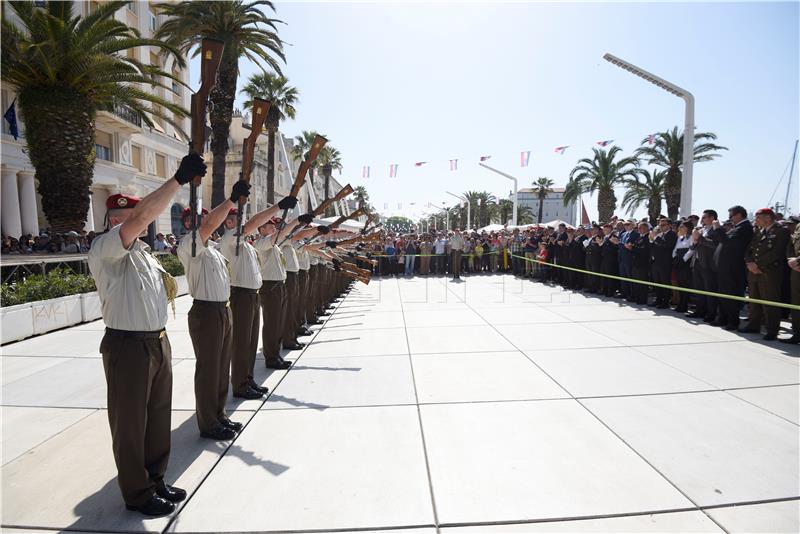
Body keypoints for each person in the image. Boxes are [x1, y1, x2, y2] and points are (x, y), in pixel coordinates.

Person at [87, 153, 205, 516]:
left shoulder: (146, 255)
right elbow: (141, 218)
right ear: (111, 220)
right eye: (120, 218)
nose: (129, 222)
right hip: (127, 345)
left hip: (156, 342)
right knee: (129, 424)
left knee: (156, 417)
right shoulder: (104, 248)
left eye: (131, 216)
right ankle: (136, 492)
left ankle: (155, 480)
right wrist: (177, 180)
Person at [178, 179, 252, 441]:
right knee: (209, 369)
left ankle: (219, 415)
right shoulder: (189, 244)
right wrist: (232, 200)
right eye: (193, 221)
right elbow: (208, 227)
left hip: (223, 309)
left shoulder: (214, 250)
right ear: (187, 224)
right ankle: (208, 422)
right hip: (206, 313)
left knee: (221, 367)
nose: (198, 224)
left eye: (202, 220)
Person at [218, 197, 291, 401]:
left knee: (250, 342)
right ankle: (240, 384)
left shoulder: (247, 244)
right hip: (240, 295)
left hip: (251, 294)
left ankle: (247, 379)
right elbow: (259, 226)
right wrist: (277, 207)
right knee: (241, 342)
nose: (243, 224)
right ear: (229, 223)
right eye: (237, 219)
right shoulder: (230, 239)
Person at [740, 208, 789, 340]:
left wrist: (758, 265)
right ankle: (754, 325)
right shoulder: (758, 231)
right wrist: (750, 263)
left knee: (770, 302)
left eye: (758, 217)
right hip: (754, 272)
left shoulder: (781, 231)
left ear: (768, 218)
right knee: (754, 300)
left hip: (769, 272)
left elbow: (777, 252)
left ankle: (772, 330)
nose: (756, 220)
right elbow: (749, 250)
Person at [711, 206, 754, 330]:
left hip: (733, 268)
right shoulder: (737, 228)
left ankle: (733, 321)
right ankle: (723, 318)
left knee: (731, 295)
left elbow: (728, 242)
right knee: (723, 294)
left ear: (739, 215)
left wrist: (718, 229)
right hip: (725, 268)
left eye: (731, 216)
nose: (730, 219)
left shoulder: (744, 228)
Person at [687, 210, 719, 322]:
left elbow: (715, 244)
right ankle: (700, 310)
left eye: (705, 217)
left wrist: (700, 238)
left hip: (708, 264)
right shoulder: (702, 229)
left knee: (709, 290)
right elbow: (693, 246)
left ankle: (711, 313)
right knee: (699, 289)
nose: (702, 219)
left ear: (712, 218)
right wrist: (695, 242)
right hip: (697, 262)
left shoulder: (716, 230)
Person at [649, 218, 677, 308]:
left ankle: (665, 302)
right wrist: (651, 240)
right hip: (656, 262)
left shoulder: (672, 234)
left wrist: (656, 238)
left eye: (663, 225)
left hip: (665, 263)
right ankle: (658, 300)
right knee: (657, 283)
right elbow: (654, 247)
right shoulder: (660, 234)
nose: (661, 227)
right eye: (660, 225)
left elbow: (667, 246)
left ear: (669, 225)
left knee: (665, 283)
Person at [782, 216, 800, 344]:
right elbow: (791, 245)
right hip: (797, 270)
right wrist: (791, 259)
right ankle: (798, 333)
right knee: (796, 302)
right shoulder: (798, 227)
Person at [672, 220, 694, 313]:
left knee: (685, 284)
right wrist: (674, 257)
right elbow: (675, 249)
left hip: (686, 262)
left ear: (688, 228)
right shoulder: (680, 237)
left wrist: (684, 259)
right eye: (680, 226)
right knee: (679, 283)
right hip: (678, 261)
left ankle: (684, 304)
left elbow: (691, 249)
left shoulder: (691, 237)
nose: (680, 228)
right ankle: (680, 303)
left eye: (682, 226)